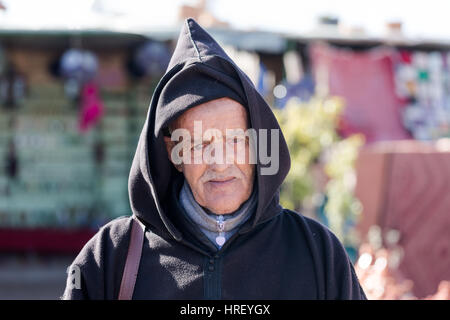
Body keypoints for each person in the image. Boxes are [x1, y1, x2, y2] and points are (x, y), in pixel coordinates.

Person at [62, 18, 366, 300]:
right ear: (174, 153)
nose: (219, 162)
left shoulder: (317, 253)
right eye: (198, 144)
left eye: (235, 140)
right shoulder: (112, 257)